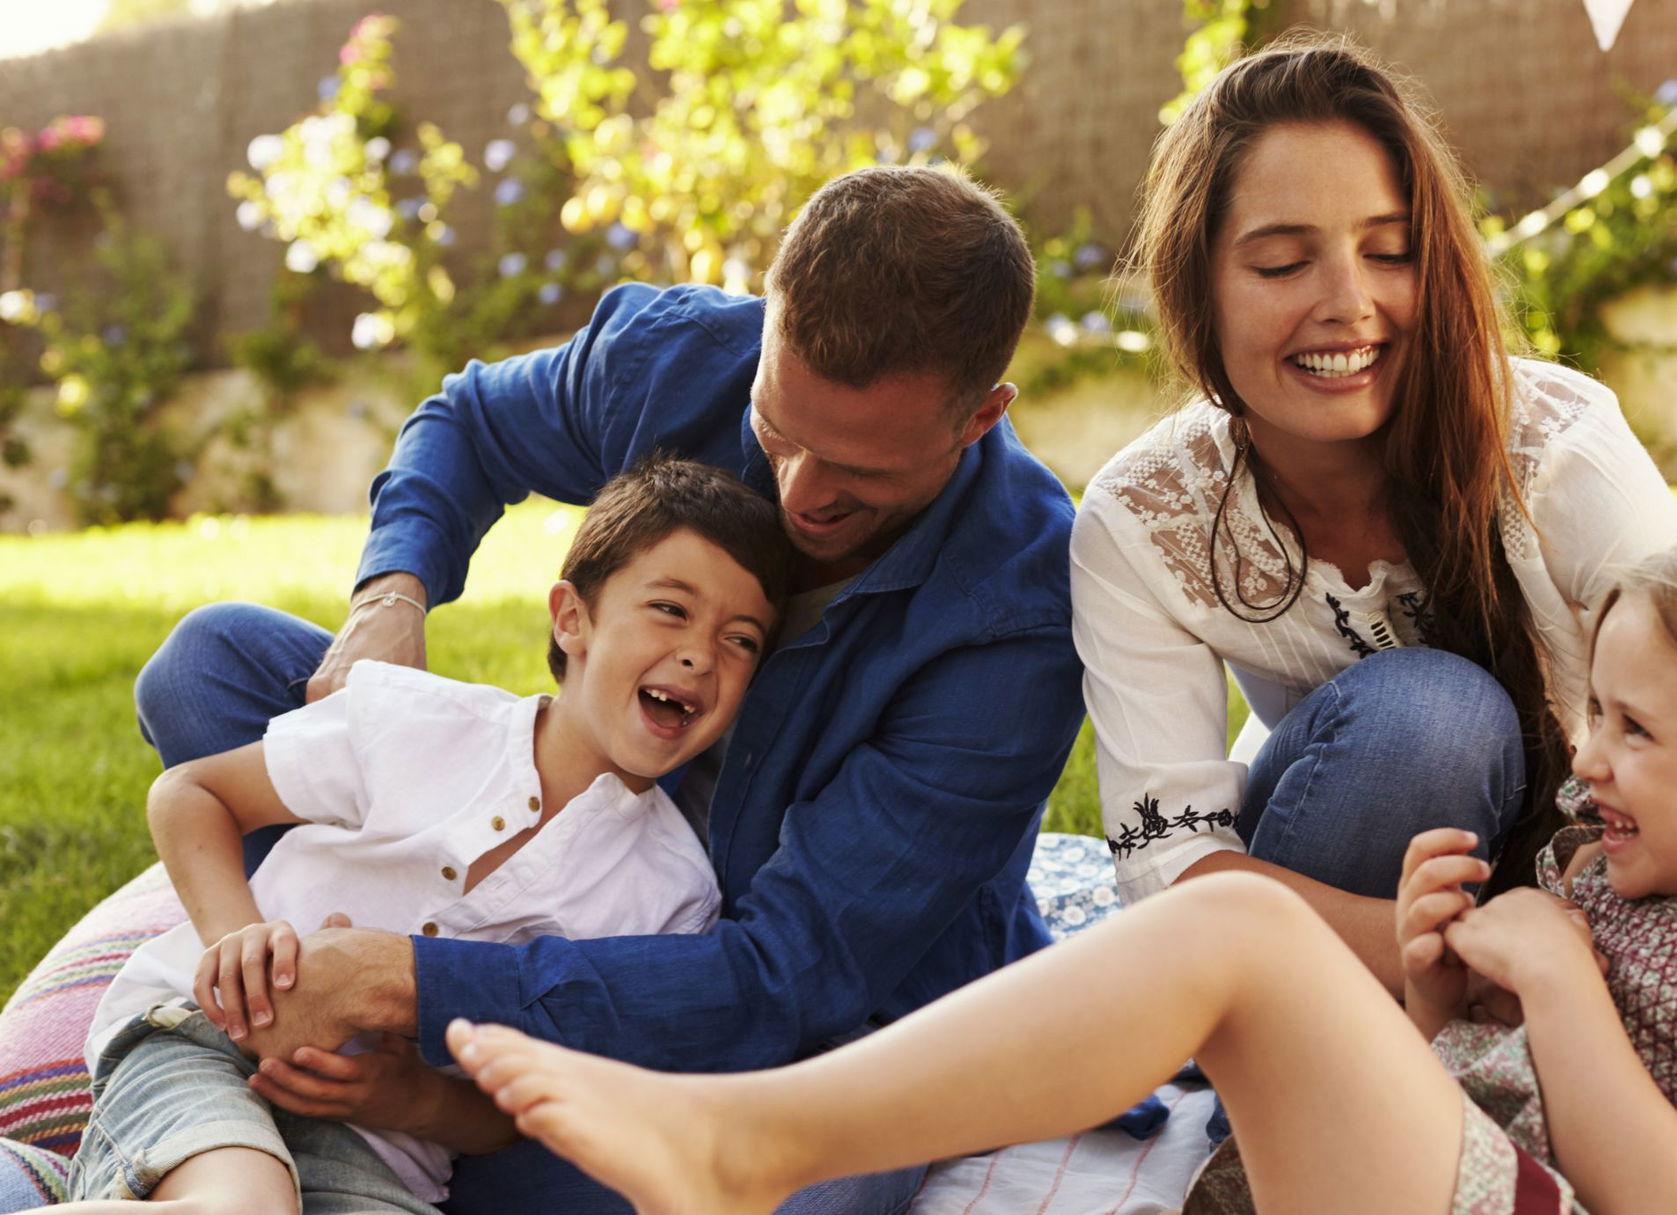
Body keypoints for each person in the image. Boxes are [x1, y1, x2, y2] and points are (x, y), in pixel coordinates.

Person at [441, 527, 1677, 1215]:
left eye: (1636, 728)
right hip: (1456, 1175)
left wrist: (1563, 975)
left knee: (1239, 921)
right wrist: (1449, 989)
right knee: (1244, 936)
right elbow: (1518, 1074)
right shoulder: (1647, 877)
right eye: (1594, 709)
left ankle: (747, 1143)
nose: (1585, 756)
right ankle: (756, 1140)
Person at [128, 164, 1078, 1213]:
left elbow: (790, 974)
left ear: (979, 417)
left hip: (789, 993)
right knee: (213, 664)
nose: (799, 494)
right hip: (572, 841)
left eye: (859, 475)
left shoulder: (1020, 614)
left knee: (803, 1186)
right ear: (767, 327)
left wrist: (407, 980)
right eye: (778, 430)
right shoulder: (681, 356)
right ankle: (310, 1030)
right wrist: (389, 599)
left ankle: (422, 1113)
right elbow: (467, 424)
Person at [1073, 34, 1677, 1003]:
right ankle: (1310, 1083)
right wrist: (1486, 953)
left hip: (1593, 878)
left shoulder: (1556, 449)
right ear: (1196, 288)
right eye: (1282, 264)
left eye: (1389, 252)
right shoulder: (1144, 518)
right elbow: (1170, 874)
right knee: (1432, 716)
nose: (1348, 304)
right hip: (1336, 919)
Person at [61, 458, 789, 1213]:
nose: (702, 653)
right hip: (206, 1044)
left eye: (741, 641)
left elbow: (524, 1111)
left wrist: (414, 1099)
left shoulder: (675, 897)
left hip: (376, 1148)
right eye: (671, 609)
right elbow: (193, 791)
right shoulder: (418, 722)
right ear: (571, 617)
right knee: (244, 1204)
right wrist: (236, 939)